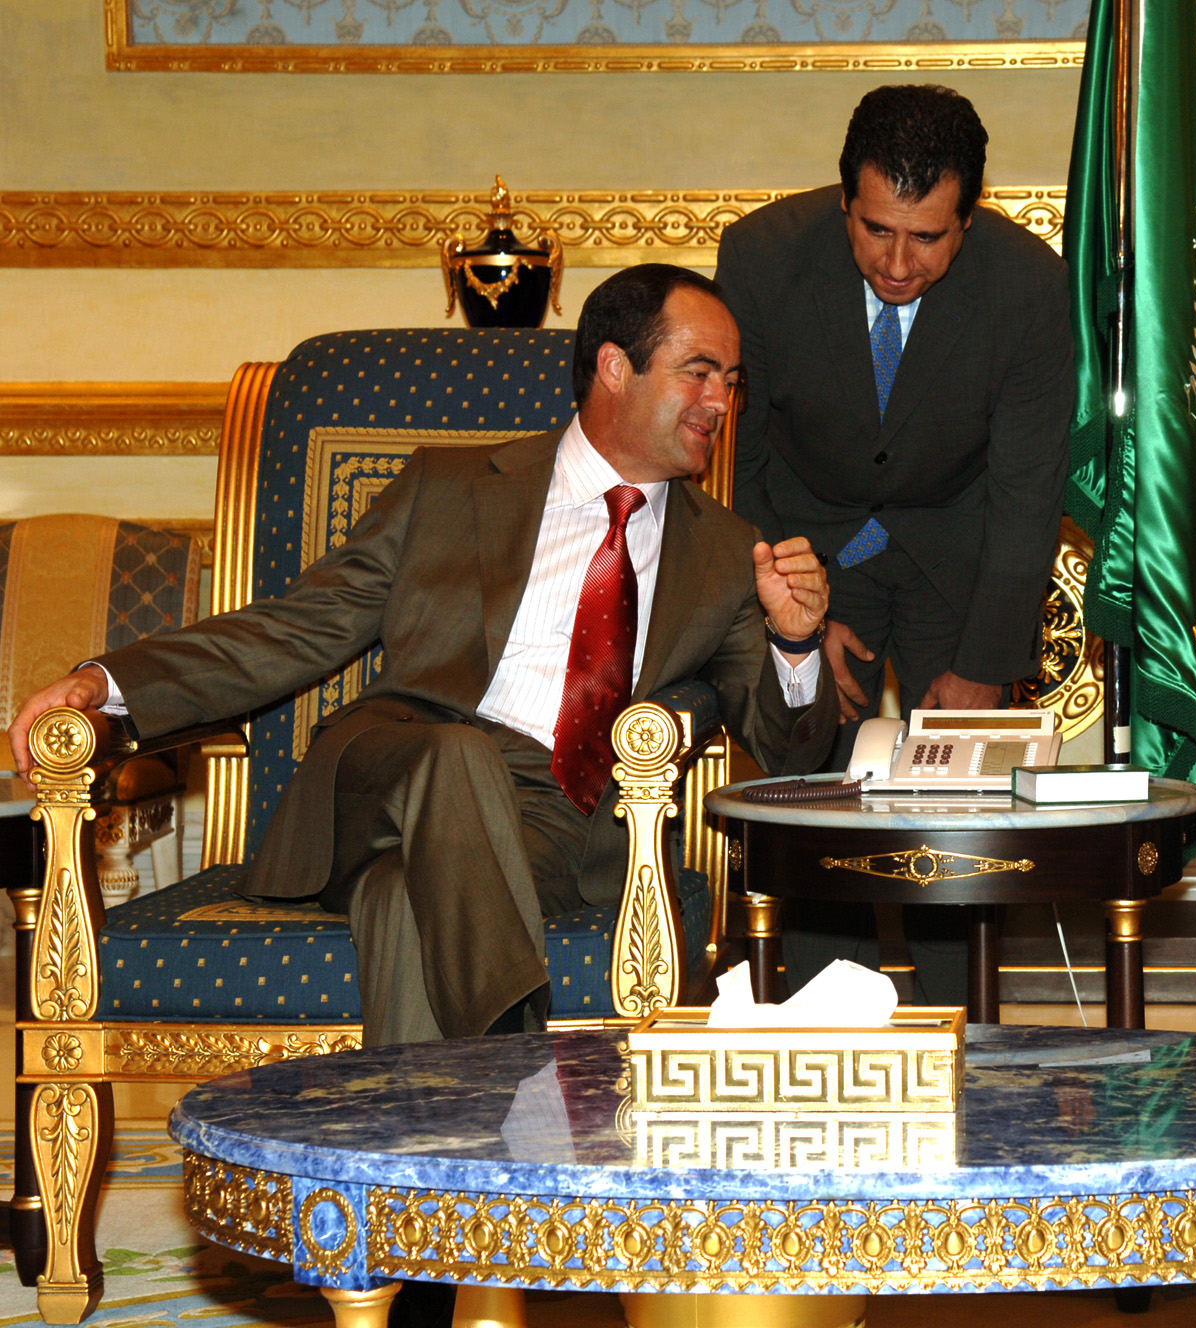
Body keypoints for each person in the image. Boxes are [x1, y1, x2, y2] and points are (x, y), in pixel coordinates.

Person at [7, 264, 840, 1048]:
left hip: (554, 823)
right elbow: (296, 627)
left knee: (400, 901)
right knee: (456, 757)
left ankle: (435, 1134)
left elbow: (791, 754)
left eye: (731, 381)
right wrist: (107, 683)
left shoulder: (725, 553)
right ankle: (515, 1064)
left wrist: (796, 642)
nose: (720, 401)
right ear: (616, 368)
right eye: (699, 372)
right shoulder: (448, 487)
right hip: (392, 767)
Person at [715, 83, 1074, 1004]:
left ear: (969, 218)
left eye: (928, 237)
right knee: (816, 786)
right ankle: (826, 1024)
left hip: (958, 542)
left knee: (955, 808)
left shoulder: (1030, 285)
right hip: (808, 533)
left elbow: (1028, 487)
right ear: (844, 200)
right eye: (876, 230)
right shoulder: (760, 257)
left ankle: (961, 1030)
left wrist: (985, 662)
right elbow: (738, 458)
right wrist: (795, 612)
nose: (898, 263)